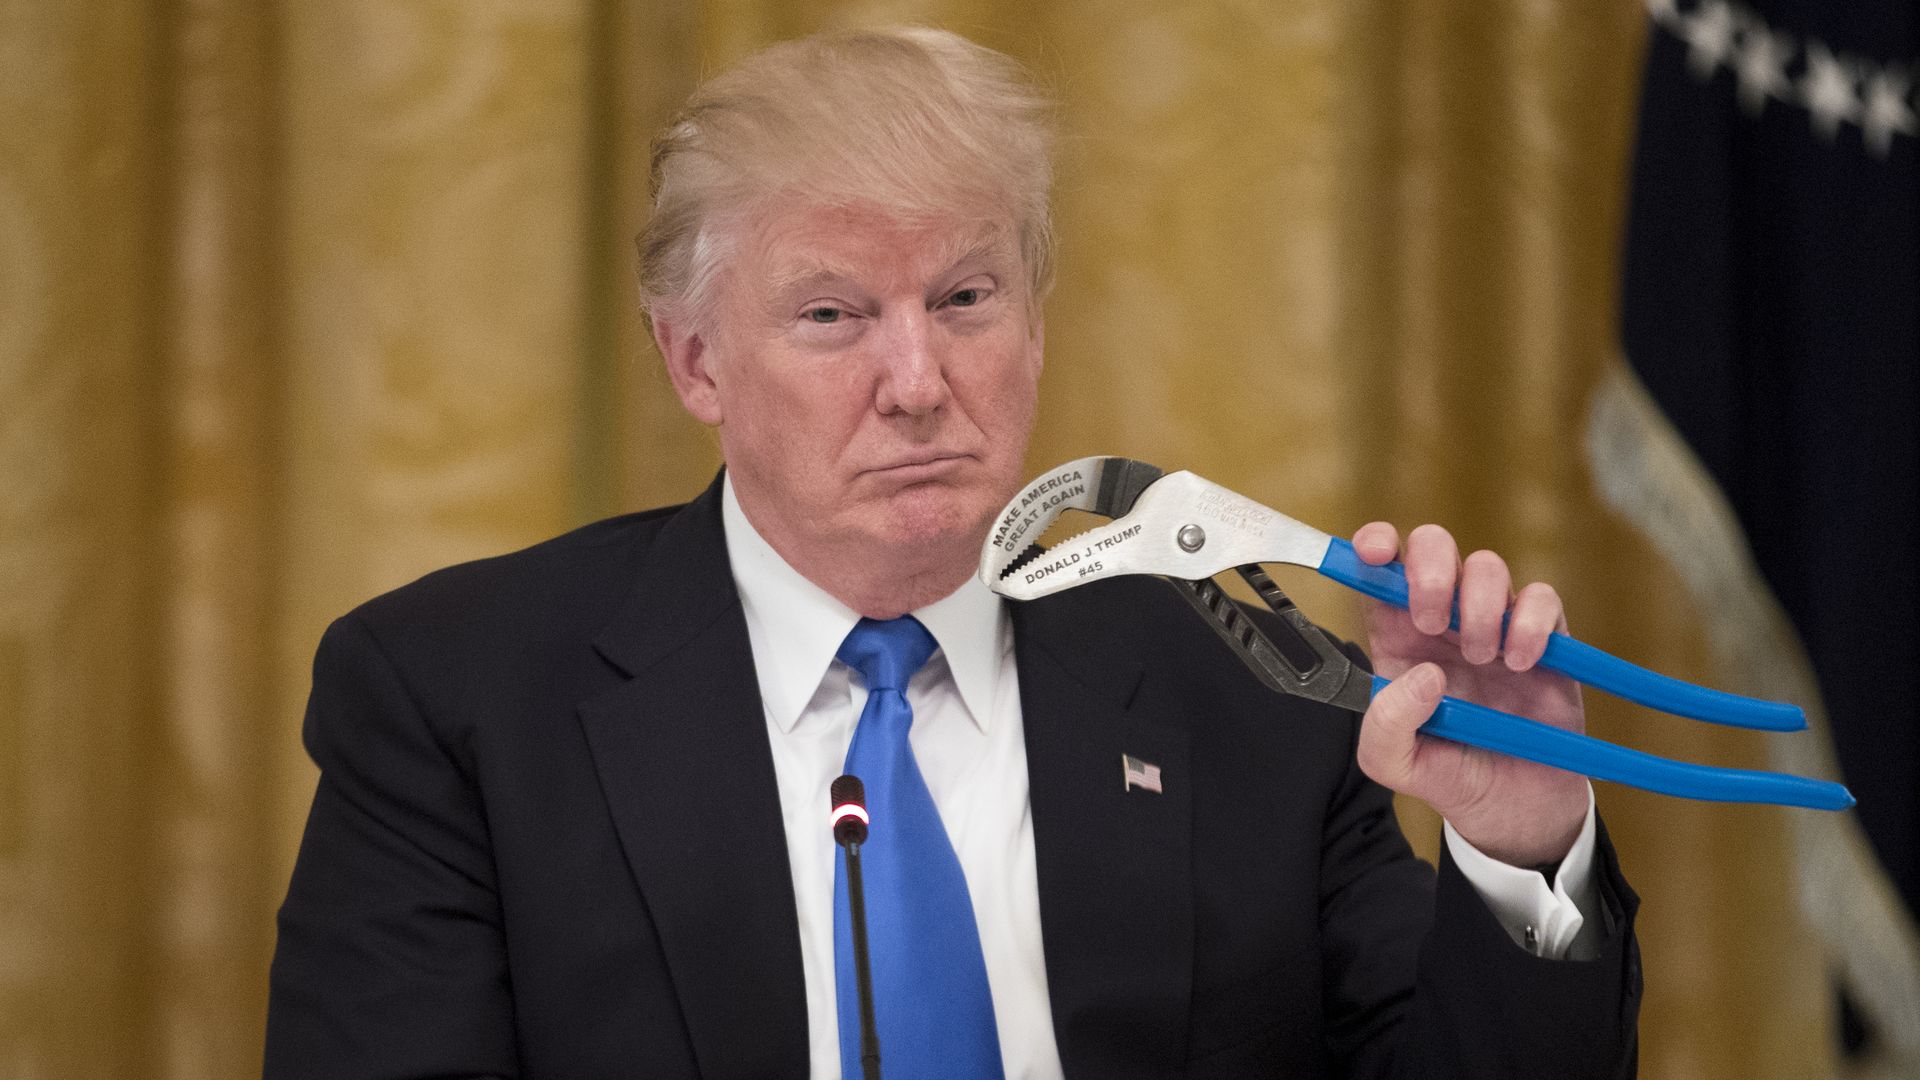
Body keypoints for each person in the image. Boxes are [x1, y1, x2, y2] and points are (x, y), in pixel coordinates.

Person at [265, 27, 1639, 1079]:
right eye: (832, 315)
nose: (919, 380)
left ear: (1034, 325)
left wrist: (1520, 853)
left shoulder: (1246, 684)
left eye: (967, 299)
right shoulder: (458, 701)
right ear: (694, 360)